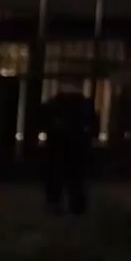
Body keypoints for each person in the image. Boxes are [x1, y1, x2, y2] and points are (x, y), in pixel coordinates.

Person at [42, 88, 97, 216]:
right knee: (75, 176)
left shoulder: (56, 105)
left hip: (62, 145)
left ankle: (57, 203)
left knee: (58, 174)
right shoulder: (82, 106)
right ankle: (74, 205)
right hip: (75, 145)